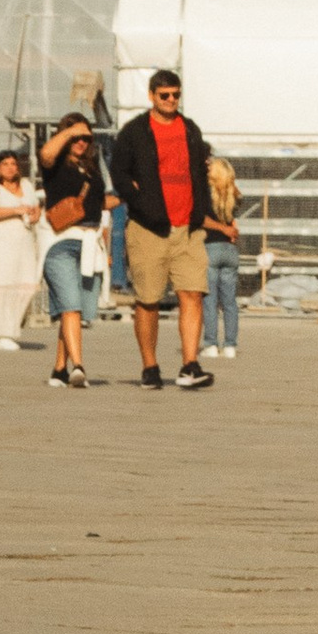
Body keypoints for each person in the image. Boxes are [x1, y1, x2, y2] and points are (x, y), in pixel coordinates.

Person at [111, 68, 216, 391]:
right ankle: (150, 366)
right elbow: (118, 171)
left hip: (188, 227)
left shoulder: (190, 129)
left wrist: (202, 210)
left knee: (193, 293)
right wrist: (140, 202)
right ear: (152, 97)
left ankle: (190, 364)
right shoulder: (135, 132)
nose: (171, 100)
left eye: (175, 94)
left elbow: (200, 168)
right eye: (164, 95)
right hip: (149, 228)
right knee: (148, 300)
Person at [37, 111, 105, 390]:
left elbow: (101, 203)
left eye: (86, 137)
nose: (81, 142)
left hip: (89, 243)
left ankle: (59, 369)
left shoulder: (92, 168)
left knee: (73, 310)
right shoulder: (54, 165)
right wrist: (70, 130)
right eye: (75, 137)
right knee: (71, 305)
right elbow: (45, 154)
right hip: (61, 243)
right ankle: (78, 366)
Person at [0, 149, 46, 349]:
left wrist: (34, 215)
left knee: (25, 283)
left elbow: (35, 209)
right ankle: (2, 333)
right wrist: (16, 210)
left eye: (13, 164)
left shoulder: (26, 185)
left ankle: (13, 328)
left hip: (23, 241)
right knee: (1, 283)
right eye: (5, 164)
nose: (10, 168)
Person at [201, 151, 244, 361]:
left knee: (210, 300)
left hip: (210, 247)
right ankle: (230, 345)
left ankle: (210, 343)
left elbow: (200, 219)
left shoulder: (206, 194)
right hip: (230, 250)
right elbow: (239, 196)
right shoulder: (232, 196)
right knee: (229, 301)